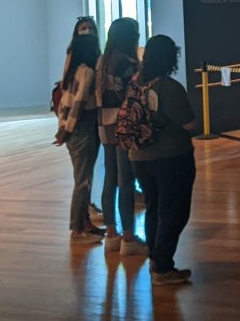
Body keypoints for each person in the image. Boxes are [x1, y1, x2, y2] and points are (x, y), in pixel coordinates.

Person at [128, 35, 199, 286]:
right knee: (174, 211)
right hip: (171, 157)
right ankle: (163, 266)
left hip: (139, 156)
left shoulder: (135, 83)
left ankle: (156, 260)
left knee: (154, 207)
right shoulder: (169, 87)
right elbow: (190, 124)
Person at [96, 17, 146, 255]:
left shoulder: (102, 62)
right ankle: (128, 237)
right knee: (126, 181)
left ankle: (111, 234)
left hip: (104, 125)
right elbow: (134, 96)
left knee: (110, 179)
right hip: (124, 125)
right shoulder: (127, 63)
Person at [56, 33, 104, 244]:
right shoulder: (86, 72)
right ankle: (77, 230)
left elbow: (64, 104)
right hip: (82, 128)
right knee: (82, 180)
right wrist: (68, 128)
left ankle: (85, 223)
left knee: (84, 178)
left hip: (75, 129)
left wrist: (63, 127)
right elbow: (79, 103)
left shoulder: (72, 71)